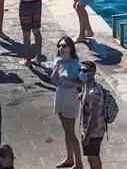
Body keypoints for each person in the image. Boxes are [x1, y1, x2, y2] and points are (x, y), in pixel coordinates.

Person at [51, 36, 84, 169]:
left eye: (64, 46)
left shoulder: (76, 64)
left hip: (71, 95)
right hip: (60, 93)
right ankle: (70, 158)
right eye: (59, 46)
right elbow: (53, 80)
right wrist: (57, 67)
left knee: (70, 130)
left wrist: (69, 81)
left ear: (70, 48)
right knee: (66, 128)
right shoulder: (58, 61)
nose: (61, 48)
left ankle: (79, 162)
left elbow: (83, 84)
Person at [78, 61, 104, 169]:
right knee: (90, 156)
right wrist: (82, 96)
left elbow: (94, 116)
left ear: (93, 72)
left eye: (84, 71)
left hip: (94, 132)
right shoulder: (87, 86)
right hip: (88, 130)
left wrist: (87, 136)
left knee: (93, 157)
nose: (81, 73)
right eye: (80, 70)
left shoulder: (93, 92)